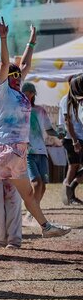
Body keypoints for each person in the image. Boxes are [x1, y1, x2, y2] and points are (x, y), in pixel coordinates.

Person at [0, 20, 70, 239]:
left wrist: (31, 43)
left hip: (18, 150)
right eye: (13, 75)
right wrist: (3, 38)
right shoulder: (2, 90)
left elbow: (24, 64)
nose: (17, 78)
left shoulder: (18, 92)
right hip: (0, 147)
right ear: (5, 77)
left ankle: (46, 227)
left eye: (18, 77)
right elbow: (4, 62)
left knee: (28, 194)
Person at [22, 82, 58, 211]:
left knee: (43, 186)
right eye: (23, 93)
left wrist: (59, 134)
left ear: (32, 94)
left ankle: (33, 209)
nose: (25, 95)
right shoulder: (18, 110)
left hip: (42, 152)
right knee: (37, 184)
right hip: (28, 152)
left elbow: (49, 130)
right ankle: (33, 212)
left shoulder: (40, 110)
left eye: (28, 93)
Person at [59, 74, 83, 205]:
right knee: (73, 165)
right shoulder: (66, 100)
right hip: (71, 138)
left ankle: (70, 187)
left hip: (80, 137)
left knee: (75, 166)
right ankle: (68, 194)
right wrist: (74, 141)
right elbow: (67, 122)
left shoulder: (79, 99)